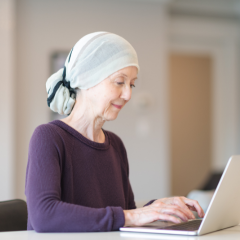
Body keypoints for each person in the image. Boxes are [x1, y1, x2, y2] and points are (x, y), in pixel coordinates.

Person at [25, 32, 204, 232]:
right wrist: (133, 215)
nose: (128, 94)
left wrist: (160, 208)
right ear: (86, 79)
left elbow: (124, 216)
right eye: (120, 82)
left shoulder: (115, 145)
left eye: (132, 84)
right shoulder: (49, 137)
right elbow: (44, 216)